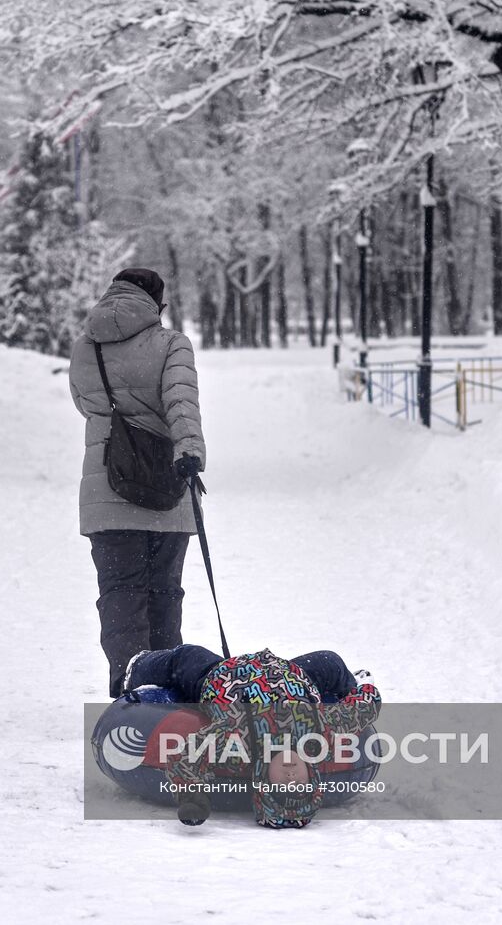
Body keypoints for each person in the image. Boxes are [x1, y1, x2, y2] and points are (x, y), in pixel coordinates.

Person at [69, 268, 205, 698]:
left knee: (119, 592)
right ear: (156, 305)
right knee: (163, 591)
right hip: (165, 484)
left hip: (107, 487)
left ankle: (128, 684)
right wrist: (189, 450)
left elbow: (83, 402)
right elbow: (180, 402)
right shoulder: (171, 344)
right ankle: (164, 688)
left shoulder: (85, 346)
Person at [123, 644, 381, 829]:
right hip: (291, 673)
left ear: (264, 778)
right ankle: (351, 680)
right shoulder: (319, 733)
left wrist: (194, 797)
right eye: (299, 785)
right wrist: (361, 690)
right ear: (311, 774)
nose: (291, 776)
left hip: (222, 675)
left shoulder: (242, 743)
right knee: (330, 660)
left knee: (186, 656)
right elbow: (363, 708)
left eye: (281, 785)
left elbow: (189, 756)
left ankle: (137, 667)